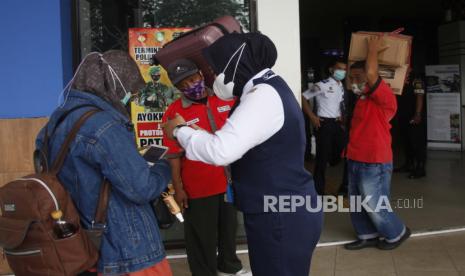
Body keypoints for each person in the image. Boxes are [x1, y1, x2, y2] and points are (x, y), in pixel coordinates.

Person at [162, 32, 323, 276]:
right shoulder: (267, 88)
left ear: (233, 64)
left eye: (216, 70)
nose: (214, 77)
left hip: (280, 214)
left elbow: (221, 151)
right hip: (281, 209)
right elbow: (240, 142)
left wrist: (179, 131)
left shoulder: (262, 96)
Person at [35, 50, 173, 275]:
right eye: (129, 90)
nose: (129, 97)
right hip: (125, 249)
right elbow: (142, 188)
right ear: (115, 86)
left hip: (80, 243)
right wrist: (162, 168)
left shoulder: (55, 123)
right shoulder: (104, 126)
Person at [162, 59, 251, 276]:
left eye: (193, 78)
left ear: (201, 75)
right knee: (202, 236)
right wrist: (178, 188)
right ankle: (205, 272)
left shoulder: (225, 99)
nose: (191, 85)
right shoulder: (174, 114)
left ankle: (229, 266)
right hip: (198, 186)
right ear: (177, 89)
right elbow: (173, 156)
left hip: (229, 181)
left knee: (229, 228)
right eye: (184, 84)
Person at [344, 37, 410, 251]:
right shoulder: (360, 97)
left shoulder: (385, 98)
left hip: (374, 160)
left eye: (358, 77)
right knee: (356, 202)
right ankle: (367, 234)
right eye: (352, 77)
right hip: (355, 157)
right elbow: (351, 80)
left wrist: (372, 50)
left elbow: (371, 74)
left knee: (374, 204)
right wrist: (353, 63)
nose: (354, 81)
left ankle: (397, 232)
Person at [304, 59, 347, 195]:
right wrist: (312, 116)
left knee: (342, 151)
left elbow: (339, 103)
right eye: (339, 68)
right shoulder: (321, 85)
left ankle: (332, 161)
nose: (342, 72)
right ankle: (318, 190)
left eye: (344, 69)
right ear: (331, 70)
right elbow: (303, 97)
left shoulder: (341, 85)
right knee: (322, 159)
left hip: (337, 124)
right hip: (324, 124)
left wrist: (341, 116)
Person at [393, 69, 426, 179]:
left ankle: (420, 168)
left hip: (414, 117)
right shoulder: (399, 81)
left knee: (417, 142)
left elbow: (419, 97)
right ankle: (409, 165)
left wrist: (417, 114)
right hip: (403, 116)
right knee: (406, 141)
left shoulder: (417, 81)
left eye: (407, 70)